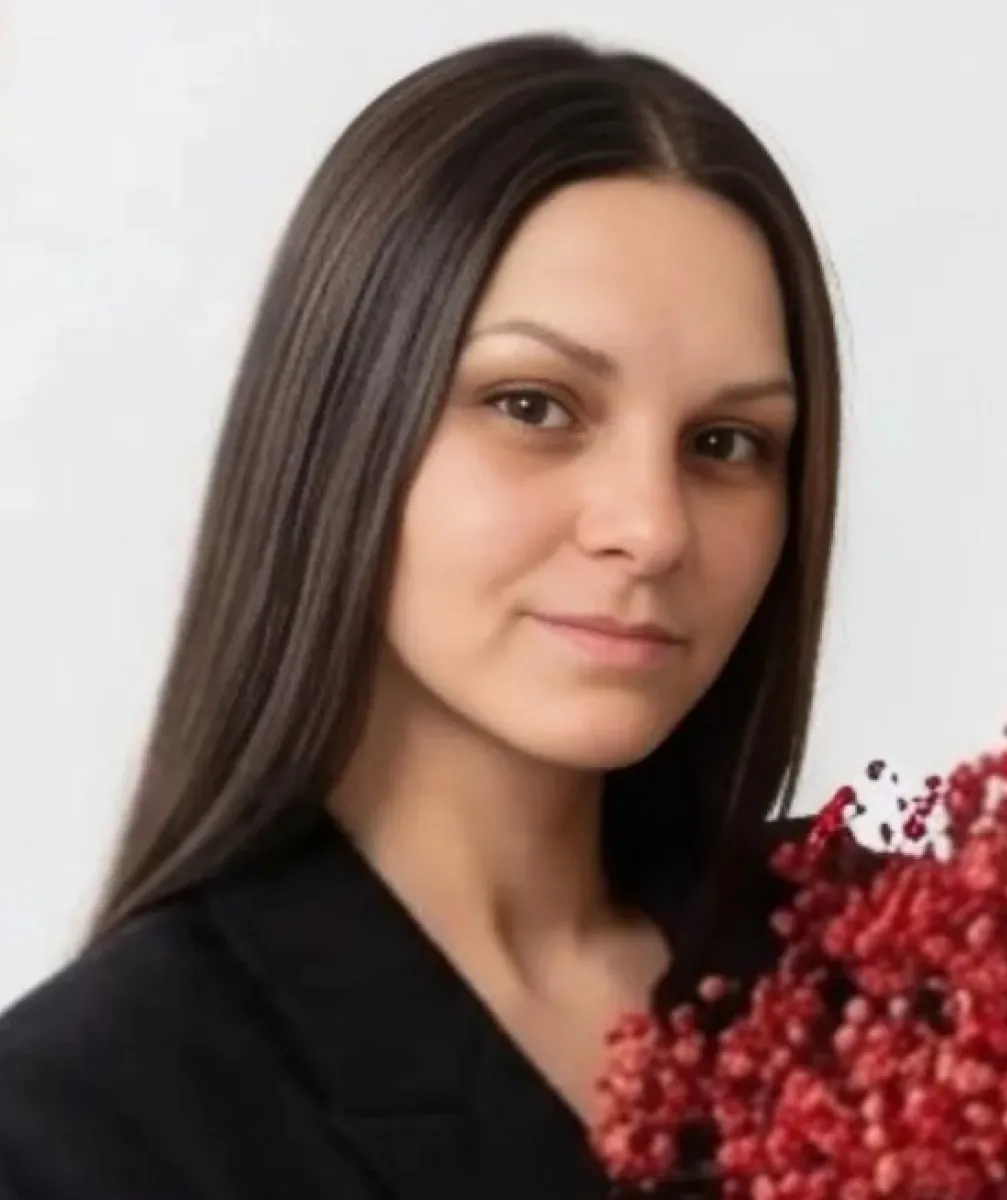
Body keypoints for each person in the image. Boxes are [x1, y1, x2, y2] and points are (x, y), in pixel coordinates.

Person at [0, 30, 841, 1200]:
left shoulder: (886, 974)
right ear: (341, 430)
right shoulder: (78, 1129)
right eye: (534, 405)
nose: (652, 527)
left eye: (726, 442)